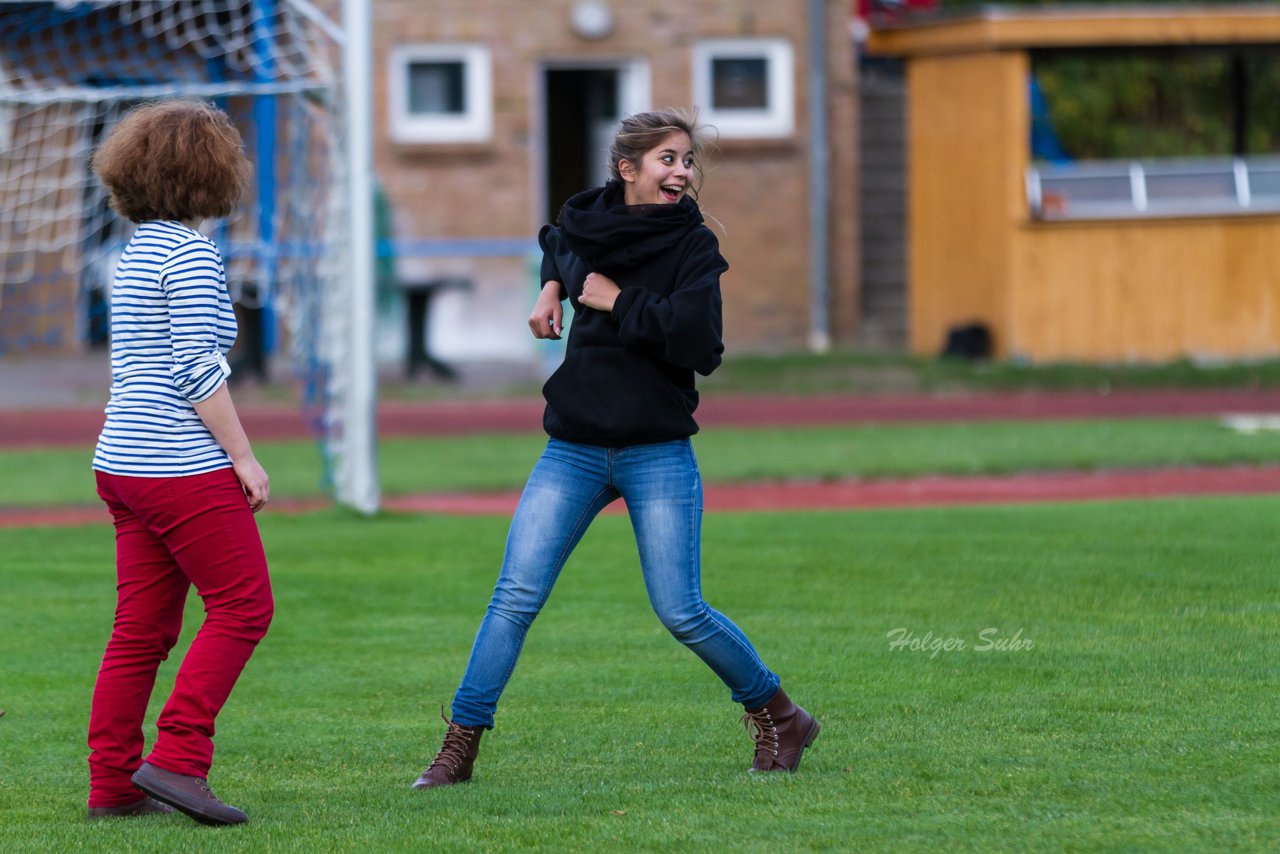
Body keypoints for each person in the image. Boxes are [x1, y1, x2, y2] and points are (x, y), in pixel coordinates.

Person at [413, 108, 819, 789]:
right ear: (628, 169)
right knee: (514, 597)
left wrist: (616, 299)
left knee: (680, 609)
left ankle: (781, 713)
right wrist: (551, 286)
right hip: (572, 448)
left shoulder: (693, 248)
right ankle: (458, 748)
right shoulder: (589, 220)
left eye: (688, 160)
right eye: (668, 159)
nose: (683, 171)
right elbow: (558, 240)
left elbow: (701, 346)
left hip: (656, 449)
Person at [85, 100, 273, 825]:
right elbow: (197, 368)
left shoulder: (133, 251)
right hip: (176, 464)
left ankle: (113, 784)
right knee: (244, 606)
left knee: (141, 629)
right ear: (210, 172)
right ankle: (178, 759)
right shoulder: (189, 254)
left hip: (122, 462)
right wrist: (243, 455)